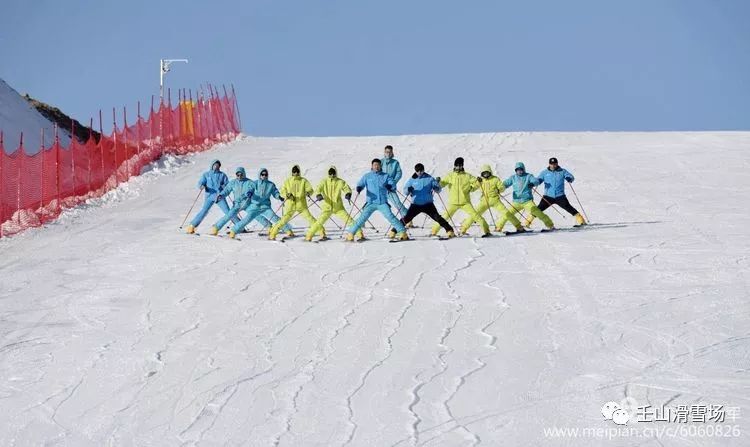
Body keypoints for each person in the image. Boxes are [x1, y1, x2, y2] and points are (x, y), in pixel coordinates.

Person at [344, 158, 408, 241]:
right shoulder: (367, 176)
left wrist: (390, 186)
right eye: (375, 165)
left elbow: (392, 184)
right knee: (362, 218)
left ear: (380, 166)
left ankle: (403, 232)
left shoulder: (385, 176)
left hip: (382, 203)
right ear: (372, 166)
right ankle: (350, 233)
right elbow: (361, 183)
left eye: (378, 165)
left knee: (390, 217)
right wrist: (359, 187)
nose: (376, 166)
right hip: (370, 202)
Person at [390, 163, 454, 238]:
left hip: (428, 204)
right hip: (416, 204)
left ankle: (450, 230)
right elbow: (405, 191)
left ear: (423, 170)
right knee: (407, 218)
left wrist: (436, 187)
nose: (419, 172)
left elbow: (438, 189)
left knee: (437, 217)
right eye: (418, 171)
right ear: (415, 171)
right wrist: (408, 190)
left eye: (421, 170)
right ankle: (394, 231)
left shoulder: (429, 178)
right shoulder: (412, 180)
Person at [430, 157, 491, 237]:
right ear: (454, 166)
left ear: (462, 166)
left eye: (460, 165)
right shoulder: (450, 176)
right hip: (453, 203)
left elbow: (476, 184)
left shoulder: (467, 176)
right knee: (445, 217)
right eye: (457, 165)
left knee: (476, 216)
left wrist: (478, 182)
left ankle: (487, 231)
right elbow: (442, 184)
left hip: (465, 202)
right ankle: (434, 231)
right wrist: (438, 182)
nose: (458, 167)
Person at [226, 168, 290, 238]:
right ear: (260, 175)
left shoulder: (270, 184)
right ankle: (233, 231)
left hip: (265, 207)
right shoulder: (255, 183)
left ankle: (288, 230)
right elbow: (250, 188)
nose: (264, 176)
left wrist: (279, 197)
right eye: (262, 174)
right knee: (247, 219)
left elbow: (275, 192)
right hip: (255, 206)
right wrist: (249, 192)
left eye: (266, 174)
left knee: (274, 218)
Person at [305, 166, 362, 241]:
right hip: (327, 207)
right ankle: (309, 235)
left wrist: (348, 193)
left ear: (336, 173)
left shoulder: (340, 181)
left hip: (338, 207)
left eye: (333, 173)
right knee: (319, 222)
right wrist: (318, 194)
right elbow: (318, 189)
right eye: (330, 173)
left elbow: (346, 188)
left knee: (349, 220)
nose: (332, 175)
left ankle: (360, 234)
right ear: (328, 173)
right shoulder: (324, 181)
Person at [526, 157, 586, 227]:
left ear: (557, 164)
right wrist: (533, 184)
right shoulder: (544, 172)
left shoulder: (562, 171)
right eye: (552, 164)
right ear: (549, 164)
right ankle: (527, 222)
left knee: (568, 207)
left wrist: (569, 178)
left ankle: (581, 220)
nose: (553, 165)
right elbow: (538, 180)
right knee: (539, 209)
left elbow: (571, 176)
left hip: (560, 196)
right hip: (548, 196)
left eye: (555, 164)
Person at [186, 159, 240, 234]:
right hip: (209, 196)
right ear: (212, 165)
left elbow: (227, 185)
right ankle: (192, 225)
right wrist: (201, 186)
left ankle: (239, 225)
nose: (216, 166)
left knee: (228, 211)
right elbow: (201, 182)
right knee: (204, 211)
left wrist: (224, 186)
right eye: (215, 165)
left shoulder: (222, 175)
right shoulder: (206, 174)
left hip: (219, 196)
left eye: (217, 165)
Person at [496, 162, 554, 231]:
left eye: (521, 169)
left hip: (527, 201)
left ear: (524, 169)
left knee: (537, 212)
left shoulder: (528, 176)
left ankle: (550, 225)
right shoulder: (513, 178)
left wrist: (532, 183)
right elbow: (505, 184)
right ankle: (498, 228)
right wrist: (499, 189)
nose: (519, 171)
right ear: (516, 170)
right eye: (518, 170)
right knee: (507, 214)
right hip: (516, 202)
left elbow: (536, 181)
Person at [472, 164, 526, 233]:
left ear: (490, 172)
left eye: (487, 172)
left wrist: (498, 190)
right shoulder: (481, 180)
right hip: (484, 200)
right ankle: (463, 228)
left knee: (506, 213)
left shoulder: (495, 179)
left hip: (495, 200)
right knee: (475, 213)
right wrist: (477, 181)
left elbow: (502, 187)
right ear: (482, 174)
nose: (486, 174)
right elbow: (473, 187)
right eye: (484, 173)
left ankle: (519, 227)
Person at [268, 164, 316, 240]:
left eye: (297, 171)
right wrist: (287, 195)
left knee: (310, 219)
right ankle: (272, 234)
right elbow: (283, 191)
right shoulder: (288, 181)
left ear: (299, 172)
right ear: (292, 172)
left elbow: (310, 189)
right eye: (294, 172)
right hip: (290, 205)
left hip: (301, 205)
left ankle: (322, 233)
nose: (295, 173)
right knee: (283, 220)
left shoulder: (303, 181)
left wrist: (308, 192)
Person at [208, 167, 254, 235]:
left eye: (241, 174)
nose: (239, 176)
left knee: (256, 214)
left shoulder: (249, 182)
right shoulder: (233, 182)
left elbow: (253, 189)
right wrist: (221, 195)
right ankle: (216, 228)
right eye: (237, 175)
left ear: (244, 174)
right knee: (228, 215)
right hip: (237, 204)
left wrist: (250, 192)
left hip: (247, 203)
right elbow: (226, 190)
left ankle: (269, 227)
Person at [381, 145, 409, 221]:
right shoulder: (381, 162)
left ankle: (407, 218)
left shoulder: (395, 163)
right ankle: (361, 223)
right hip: (380, 188)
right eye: (387, 152)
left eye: (390, 152)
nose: (388, 153)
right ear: (384, 152)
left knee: (397, 203)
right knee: (370, 204)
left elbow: (399, 173)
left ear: (392, 152)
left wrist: (392, 183)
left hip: (390, 188)